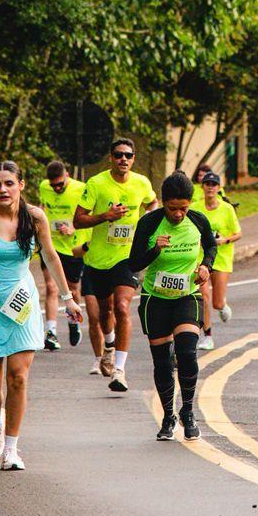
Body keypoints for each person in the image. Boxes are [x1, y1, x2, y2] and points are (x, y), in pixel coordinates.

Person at [0, 161, 82, 470]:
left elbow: (51, 257)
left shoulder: (35, 217)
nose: (3, 189)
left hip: (21, 301)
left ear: (21, 185)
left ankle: (11, 449)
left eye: (9, 183)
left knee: (17, 377)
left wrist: (69, 299)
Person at [128, 172, 218, 441]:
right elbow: (134, 263)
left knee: (187, 352)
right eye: (172, 208)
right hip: (156, 300)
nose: (178, 214)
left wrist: (206, 266)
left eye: (183, 208)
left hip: (187, 296)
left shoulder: (198, 220)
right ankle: (168, 416)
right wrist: (155, 249)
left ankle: (188, 412)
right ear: (163, 202)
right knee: (163, 362)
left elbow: (211, 247)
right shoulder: (149, 223)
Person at [74, 138, 158, 390]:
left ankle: (119, 371)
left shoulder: (141, 183)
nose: (124, 159)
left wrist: (148, 218)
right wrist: (105, 216)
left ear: (133, 159)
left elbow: (152, 202)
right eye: (119, 155)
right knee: (104, 312)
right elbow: (78, 221)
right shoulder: (97, 183)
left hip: (127, 256)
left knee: (122, 307)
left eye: (128, 155)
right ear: (111, 158)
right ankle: (108, 344)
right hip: (99, 259)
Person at [36, 161, 87, 352]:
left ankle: (73, 321)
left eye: (60, 184)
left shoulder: (80, 189)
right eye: (53, 185)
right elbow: (43, 205)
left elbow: (89, 214)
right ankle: (51, 332)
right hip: (51, 245)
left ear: (67, 175)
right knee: (51, 287)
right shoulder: (44, 187)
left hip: (73, 246)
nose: (56, 188)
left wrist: (73, 227)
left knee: (73, 288)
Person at [193, 171, 241, 352]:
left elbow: (238, 233)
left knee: (216, 303)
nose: (210, 187)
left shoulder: (227, 209)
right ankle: (208, 336)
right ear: (202, 187)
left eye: (214, 184)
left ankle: (223, 305)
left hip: (221, 259)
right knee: (203, 297)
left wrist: (224, 240)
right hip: (202, 259)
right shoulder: (195, 207)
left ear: (219, 188)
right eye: (207, 184)